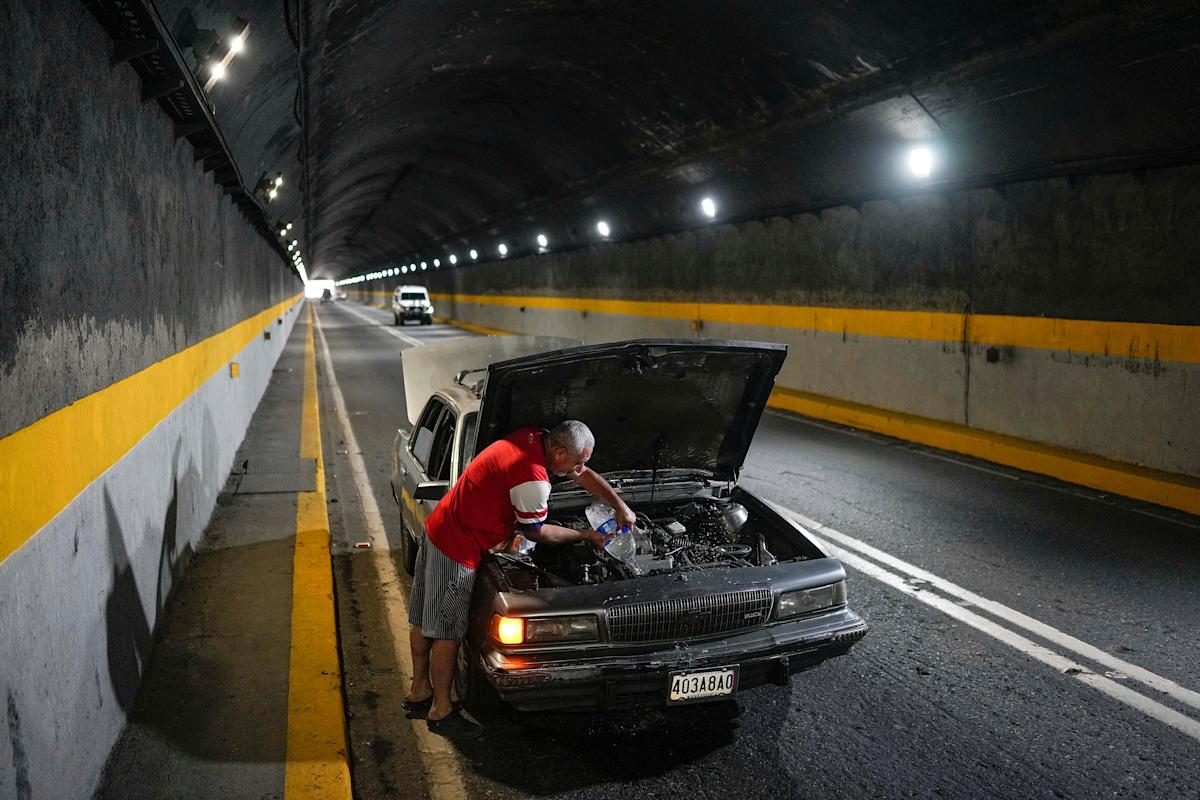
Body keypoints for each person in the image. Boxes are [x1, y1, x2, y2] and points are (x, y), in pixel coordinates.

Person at [403, 419, 634, 740]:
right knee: (446, 631)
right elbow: (536, 532)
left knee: (421, 618)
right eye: (578, 461)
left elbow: (581, 474)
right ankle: (441, 709)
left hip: (439, 524)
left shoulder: (533, 437)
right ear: (559, 452)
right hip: (457, 547)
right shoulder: (533, 479)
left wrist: (618, 504)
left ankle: (418, 691)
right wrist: (586, 535)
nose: (581, 469)